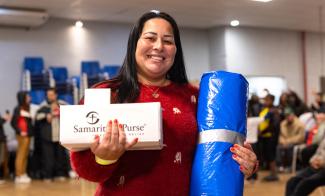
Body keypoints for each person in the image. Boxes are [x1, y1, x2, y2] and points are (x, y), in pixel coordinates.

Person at [70, 10, 258, 195]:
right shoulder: (106, 94)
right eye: (150, 38)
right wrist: (104, 158)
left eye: (168, 41)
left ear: (176, 50)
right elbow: (84, 169)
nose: (159, 46)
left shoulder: (198, 99)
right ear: (134, 44)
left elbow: (215, 157)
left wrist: (244, 162)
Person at [35, 88, 70, 182]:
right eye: (48, 95)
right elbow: (37, 117)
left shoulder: (62, 104)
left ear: (56, 95)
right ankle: (48, 176)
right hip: (47, 136)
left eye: (51, 95)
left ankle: (60, 174)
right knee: (48, 157)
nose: (49, 97)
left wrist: (61, 113)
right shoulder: (43, 106)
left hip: (60, 136)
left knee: (60, 156)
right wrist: (47, 115)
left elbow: (71, 113)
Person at [10, 91, 33, 183]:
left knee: (25, 155)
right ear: (23, 98)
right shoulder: (17, 108)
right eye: (27, 97)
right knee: (21, 155)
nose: (29, 98)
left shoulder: (27, 108)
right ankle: (18, 175)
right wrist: (20, 131)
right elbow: (13, 123)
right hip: (22, 135)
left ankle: (23, 173)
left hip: (28, 135)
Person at [257, 94, 280, 181]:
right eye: (265, 100)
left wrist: (262, 132)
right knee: (267, 155)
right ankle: (271, 173)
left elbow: (274, 125)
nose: (266, 102)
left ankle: (274, 174)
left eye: (267, 100)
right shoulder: (265, 110)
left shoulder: (274, 111)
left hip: (271, 136)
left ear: (272, 101)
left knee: (271, 155)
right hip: (264, 136)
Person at [277, 107, 305, 171]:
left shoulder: (300, 124)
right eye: (286, 115)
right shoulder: (283, 124)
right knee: (278, 147)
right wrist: (283, 141)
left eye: (289, 115)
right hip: (285, 142)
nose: (288, 117)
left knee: (289, 147)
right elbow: (280, 135)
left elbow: (300, 137)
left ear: (293, 115)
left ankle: (290, 166)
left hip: (296, 142)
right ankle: (280, 165)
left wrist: (288, 141)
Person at [0, 111, 11, 184]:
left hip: (1, 139)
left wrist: (4, 119)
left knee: (1, 158)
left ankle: (1, 176)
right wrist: (3, 119)